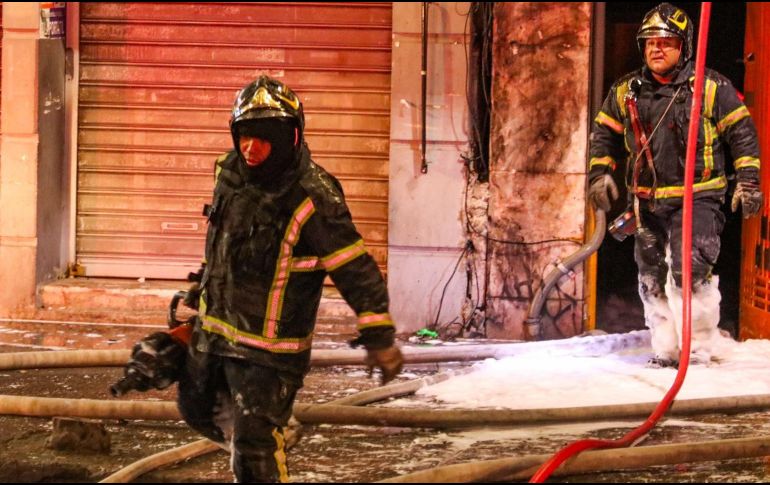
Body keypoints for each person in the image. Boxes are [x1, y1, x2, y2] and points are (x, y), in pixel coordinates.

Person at [116, 75, 403, 482]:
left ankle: (264, 446)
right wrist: (196, 302)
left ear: (290, 137)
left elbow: (354, 267)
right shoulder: (229, 173)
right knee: (196, 409)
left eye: (262, 139)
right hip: (214, 333)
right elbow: (221, 245)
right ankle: (268, 438)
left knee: (253, 449)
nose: (250, 148)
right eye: (243, 137)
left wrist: (379, 335)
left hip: (269, 353)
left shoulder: (314, 196)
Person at [587, 3, 763, 367]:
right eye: (649, 42)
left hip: (698, 198)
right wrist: (598, 175)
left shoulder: (709, 87)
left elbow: (742, 133)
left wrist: (748, 182)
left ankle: (696, 351)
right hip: (648, 203)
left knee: (689, 271)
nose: (656, 48)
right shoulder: (627, 92)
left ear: (683, 46)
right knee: (652, 275)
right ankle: (667, 349)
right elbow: (603, 134)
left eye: (666, 41)